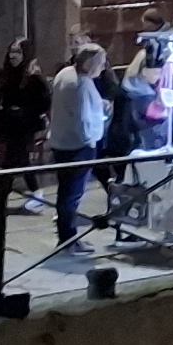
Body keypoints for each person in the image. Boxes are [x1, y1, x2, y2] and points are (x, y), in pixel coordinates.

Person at [50, 44, 118, 243]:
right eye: (101, 63)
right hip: (78, 146)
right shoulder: (82, 84)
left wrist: (98, 105)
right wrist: (92, 140)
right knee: (72, 194)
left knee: (65, 192)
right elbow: (83, 119)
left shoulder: (64, 74)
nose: (103, 68)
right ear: (90, 64)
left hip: (61, 141)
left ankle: (66, 235)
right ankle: (68, 238)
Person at [0, 42, 51, 183]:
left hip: (26, 123)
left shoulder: (33, 77)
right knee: (14, 158)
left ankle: (13, 188)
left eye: (18, 52)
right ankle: (13, 189)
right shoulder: (1, 75)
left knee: (17, 157)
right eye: (11, 51)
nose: (13, 56)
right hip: (7, 122)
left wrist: (24, 111)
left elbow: (44, 102)